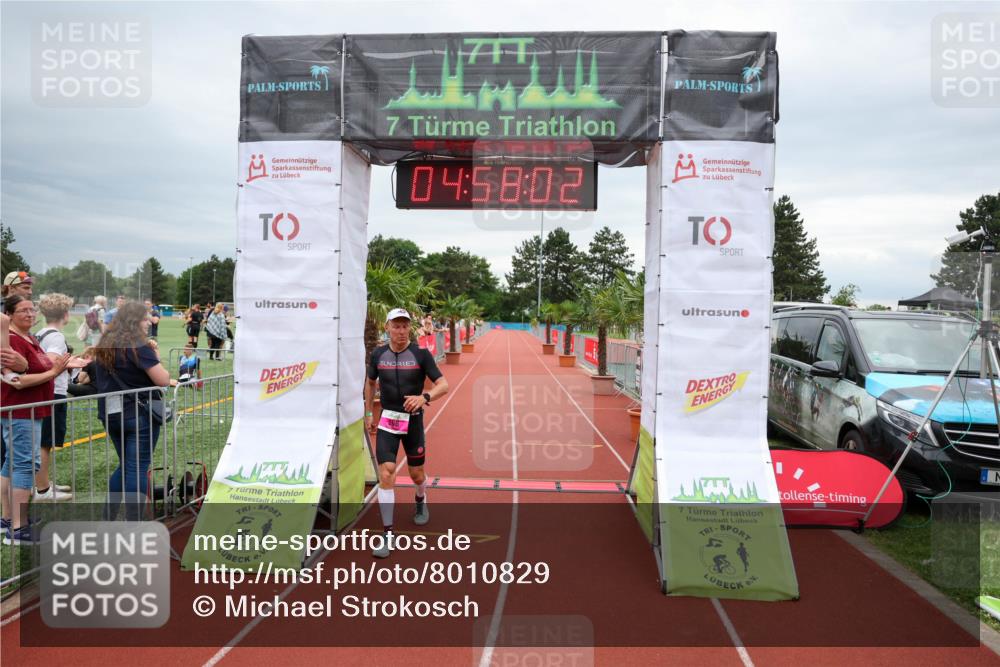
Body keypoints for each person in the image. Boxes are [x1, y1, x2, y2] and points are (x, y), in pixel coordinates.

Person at [365, 308, 449, 559]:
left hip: (412, 422)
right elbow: (370, 383)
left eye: (405, 326)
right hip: (388, 421)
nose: (401, 331)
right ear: (387, 327)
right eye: (396, 326)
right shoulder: (378, 355)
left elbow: (444, 385)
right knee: (386, 472)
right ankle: (387, 533)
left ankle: (421, 499)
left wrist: (424, 397)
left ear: (409, 328)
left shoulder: (421, 355)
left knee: (416, 474)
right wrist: (368, 412)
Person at [1, 295, 83, 544]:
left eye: (31, 309)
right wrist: (53, 372)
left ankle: (8, 519)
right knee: (25, 465)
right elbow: (15, 381)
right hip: (21, 411)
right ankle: (18, 528)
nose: (29, 314)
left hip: (28, 411)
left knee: (11, 464)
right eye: (22, 310)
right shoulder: (12, 340)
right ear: (9, 315)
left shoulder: (29, 337)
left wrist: (59, 365)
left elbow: (37, 365)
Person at [90, 301, 173, 520]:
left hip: (110, 412)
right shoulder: (139, 346)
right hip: (138, 413)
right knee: (137, 468)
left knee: (127, 466)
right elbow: (163, 379)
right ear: (134, 322)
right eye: (145, 319)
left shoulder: (105, 344)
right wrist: (155, 353)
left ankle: (109, 517)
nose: (149, 323)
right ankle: (133, 521)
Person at [34, 293, 76, 501]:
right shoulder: (57, 336)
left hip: (43, 391)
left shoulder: (40, 333)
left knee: (42, 441)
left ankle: (42, 483)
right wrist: (67, 364)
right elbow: (49, 361)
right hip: (52, 392)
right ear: (65, 314)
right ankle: (42, 490)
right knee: (45, 442)